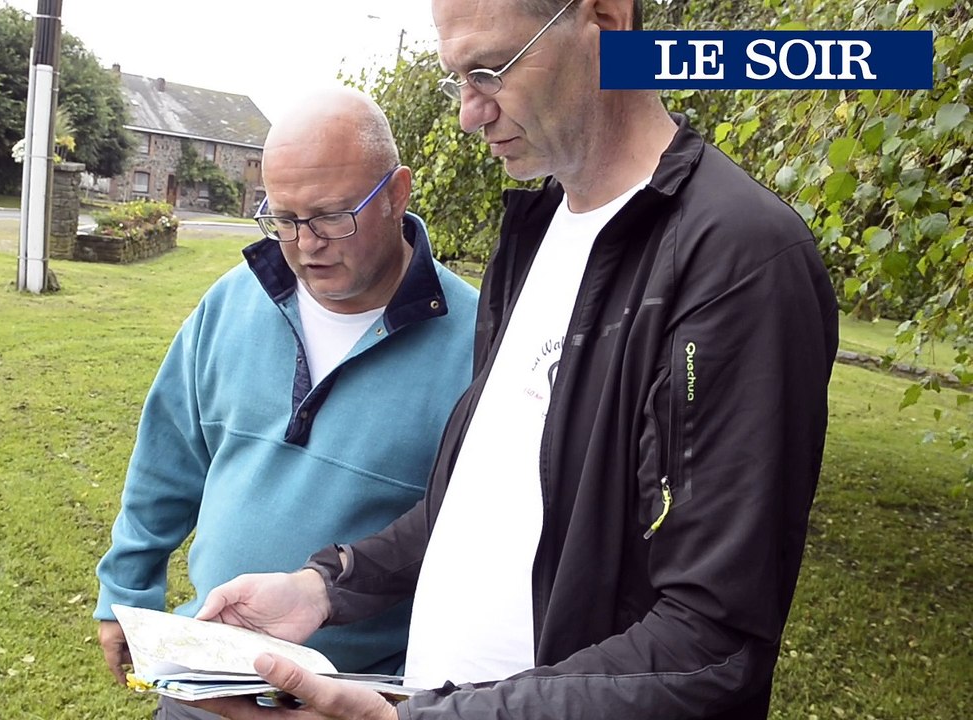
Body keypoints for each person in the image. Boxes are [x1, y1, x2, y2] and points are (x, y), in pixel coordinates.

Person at [192, 0, 840, 718]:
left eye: (490, 70)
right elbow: (481, 501)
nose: (469, 114)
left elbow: (711, 644)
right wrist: (325, 587)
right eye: (457, 79)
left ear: (606, 18)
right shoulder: (535, 234)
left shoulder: (737, 259)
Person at [93, 87, 480, 715]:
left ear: (397, 192)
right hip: (203, 679)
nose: (305, 244)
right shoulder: (232, 300)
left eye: (330, 216)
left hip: (351, 701)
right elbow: (167, 460)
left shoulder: (479, 344)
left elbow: (472, 547)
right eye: (283, 218)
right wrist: (123, 593)